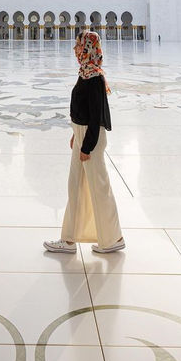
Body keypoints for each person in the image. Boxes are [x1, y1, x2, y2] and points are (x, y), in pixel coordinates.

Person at [44, 30, 124, 255]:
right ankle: (69, 240)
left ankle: (114, 237)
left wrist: (86, 146)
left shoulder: (95, 77)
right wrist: (75, 134)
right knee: (76, 186)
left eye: (79, 46)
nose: (76, 50)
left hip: (91, 140)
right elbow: (85, 111)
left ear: (88, 48)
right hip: (82, 136)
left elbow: (97, 116)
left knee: (99, 187)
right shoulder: (86, 73)